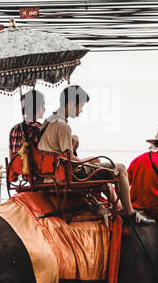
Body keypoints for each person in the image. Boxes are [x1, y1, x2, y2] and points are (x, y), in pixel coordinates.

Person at [37, 85, 151, 224]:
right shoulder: (63, 126)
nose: (81, 111)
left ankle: (120, 207)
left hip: (49, 173)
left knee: (99, 166)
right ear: (71, 104)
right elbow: (70, 159)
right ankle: (130, 213)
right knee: (120, 168)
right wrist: (89, 160)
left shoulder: (48, 121)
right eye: (81, 106)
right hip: (66, 174)